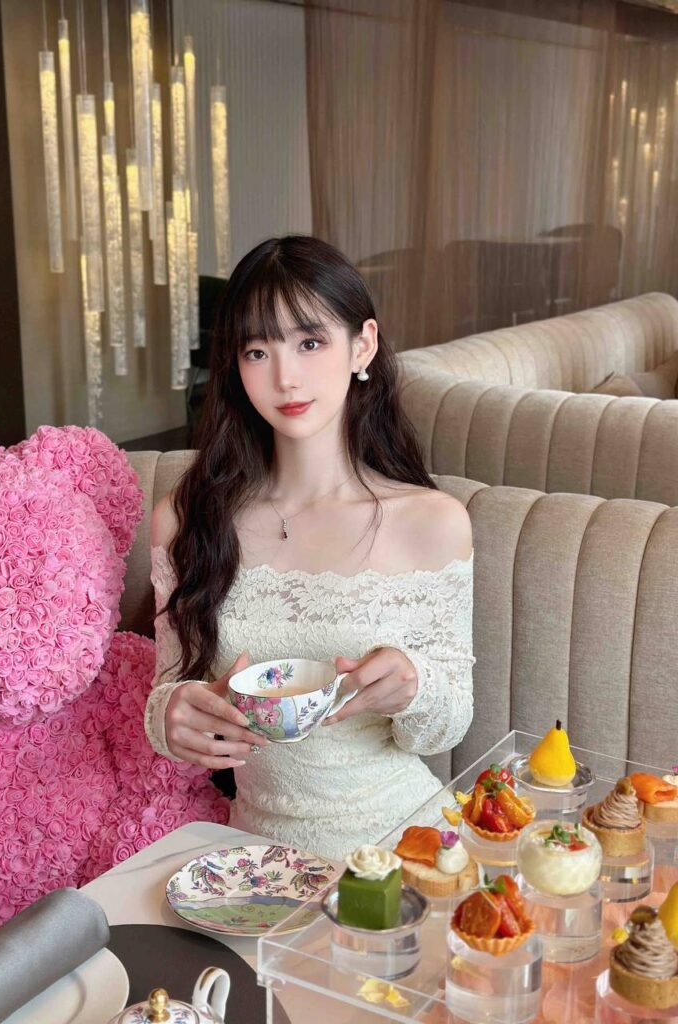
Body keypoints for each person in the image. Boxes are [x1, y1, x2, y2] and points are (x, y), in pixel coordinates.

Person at [145, 235, 474, 860]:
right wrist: (171, 717)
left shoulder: (433, 522)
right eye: (257, 351)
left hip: (404, 849)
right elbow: (171, 685)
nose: (285, 377)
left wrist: (414, 685)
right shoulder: (185, 520)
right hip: (253, 863)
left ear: (362, 345)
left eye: (310, 342)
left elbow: (446, 726)